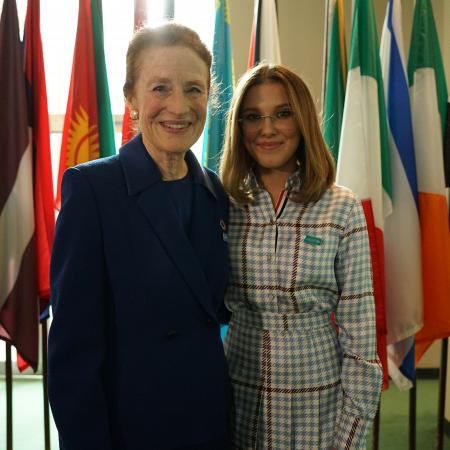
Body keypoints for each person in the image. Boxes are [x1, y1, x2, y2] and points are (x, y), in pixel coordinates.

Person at [48, 23, 232, 450]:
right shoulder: (92, 190)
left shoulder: (215, 194)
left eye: (193, 89)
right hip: (133, 430)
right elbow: (73, 354)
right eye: (160, 88)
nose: (179, 106)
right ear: (131, 98)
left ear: (210, 96)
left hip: (209, 425)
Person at [219, 63, 382, 450]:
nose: (268, 128)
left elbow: (361, 338)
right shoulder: (222, 203)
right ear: (239, 128)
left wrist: (350, 438)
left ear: (303, 120)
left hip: (317, 401)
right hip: (237, 391)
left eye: (283, 113)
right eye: (253, 117)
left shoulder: (341, 207)